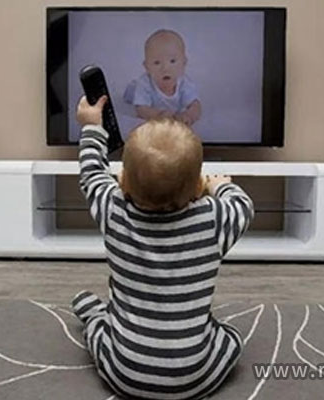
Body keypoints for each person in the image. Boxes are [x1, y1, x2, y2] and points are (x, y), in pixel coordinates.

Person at [72, 95, 254, 400]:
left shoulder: (113, 210)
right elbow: (243, 205)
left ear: (122, 181)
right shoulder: (213, 219)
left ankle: (95, 317)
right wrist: (219, 185)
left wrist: (92, 127)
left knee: (101, 333)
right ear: (197, 185)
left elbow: (91, 174)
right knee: (232, 338)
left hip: (124, 374)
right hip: (196, 377)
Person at [123, 29, 202, 126]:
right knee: (133, 92)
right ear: (147, 67)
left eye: (172, 61)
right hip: (135, 90)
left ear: (184, 63)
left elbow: (196, 105)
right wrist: (158, 115)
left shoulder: (184, 83)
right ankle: (131, 88)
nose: (165, 68)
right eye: (157, 63)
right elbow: (141, 109)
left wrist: (189, 115)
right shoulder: (144, 84)